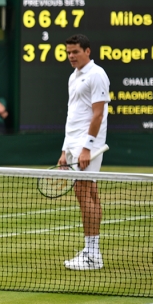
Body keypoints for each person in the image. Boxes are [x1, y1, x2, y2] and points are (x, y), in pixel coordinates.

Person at [60, 34, 110, 271]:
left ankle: (92, 255)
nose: (71, 56)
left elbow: (98, 114)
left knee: (83, 192)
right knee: (90, 192)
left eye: (75, 52)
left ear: (88, 51)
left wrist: (87, 147)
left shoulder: (97, 74)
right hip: (74, 144)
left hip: (87, 146)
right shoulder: (73, 77)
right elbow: (73, 114)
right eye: (68, 52)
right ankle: (92, 252)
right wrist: (64, 150)